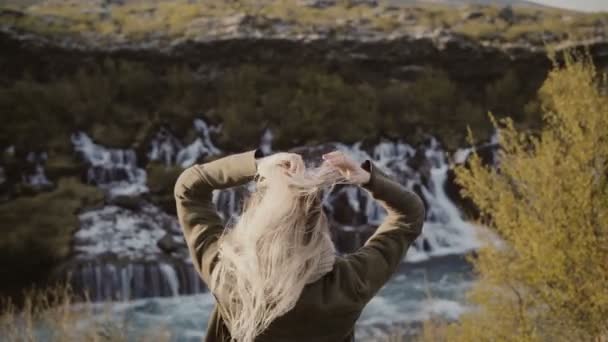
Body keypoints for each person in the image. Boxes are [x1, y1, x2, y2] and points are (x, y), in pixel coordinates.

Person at [174, 149, 425, 342]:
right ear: (320, 228)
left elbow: (188, 188)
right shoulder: (348, 284)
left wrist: (257, 164)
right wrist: (368, 179)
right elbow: (409, 215)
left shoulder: (229, 275)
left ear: (256, 223)